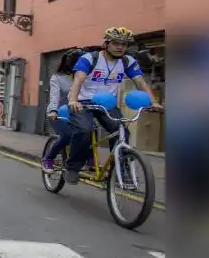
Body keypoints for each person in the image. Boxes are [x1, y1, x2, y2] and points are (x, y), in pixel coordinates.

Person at [63, 27, 163, 184]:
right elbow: (78, 80)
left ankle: (120, 171)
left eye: (124, 44)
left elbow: (140, 82)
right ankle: (73, 167)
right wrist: (73, 100)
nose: (120, 47)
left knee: (122, 132)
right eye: (116, 43)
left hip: (107, 103)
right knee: (84, 130)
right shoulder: (89, 58)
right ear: (106, 44)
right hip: (82, 102)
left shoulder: (127, 61)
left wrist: (154, 102)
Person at [41, 49, 84, 173]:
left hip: (77, 112)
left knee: (90, 132)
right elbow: (54, 96)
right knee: (67, 135)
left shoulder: (83, 77)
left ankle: (89, 160)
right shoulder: (57, 78)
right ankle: (49, 158)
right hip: (59, 113)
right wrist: (53, 110)